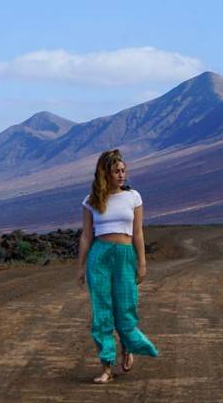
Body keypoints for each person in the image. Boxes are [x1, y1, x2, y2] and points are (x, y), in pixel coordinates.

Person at [76, 149, 159, 384]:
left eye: (123, 170)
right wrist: (80, 267)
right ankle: (107, 367)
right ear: (105, 173)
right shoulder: (91, 200)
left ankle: (128, 346)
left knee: (125, 308)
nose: (121, 175)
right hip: (99, 256)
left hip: (125, 256)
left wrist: (142, 263)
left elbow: (138, 232)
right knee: (101, 313)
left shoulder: (133, 197)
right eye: (116, 171)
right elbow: (85, 236)